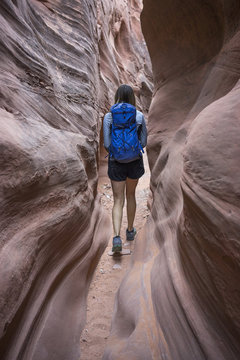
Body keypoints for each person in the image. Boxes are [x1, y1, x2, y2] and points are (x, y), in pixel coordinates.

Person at [103, 84, 147, 252]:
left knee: (118, 199)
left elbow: (107, 144)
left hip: (116, 163)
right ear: (132, 98)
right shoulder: (139, 116)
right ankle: (130, 231)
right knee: (130, 195)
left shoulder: (109, 117)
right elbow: (143, 143)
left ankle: (116, 238)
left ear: (117, 97)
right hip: (134, 161)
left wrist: (117, 153)